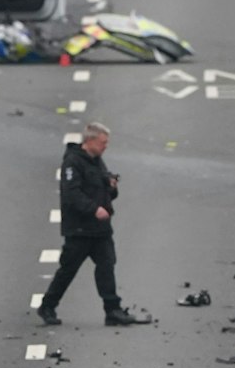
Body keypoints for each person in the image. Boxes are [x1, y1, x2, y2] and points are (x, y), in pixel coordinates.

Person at [37, 123, 150, 327]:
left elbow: (103, 188)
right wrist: (94, 209)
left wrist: (111, 186)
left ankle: (112, 309)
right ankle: (47, 305)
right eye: (102, 143)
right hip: (80, 229)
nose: (106, 147)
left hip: (100, 229)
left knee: (107, 266)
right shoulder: (72, 163)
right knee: (68, 269)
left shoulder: (98, 161)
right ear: (89, 141)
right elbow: (71, 194)